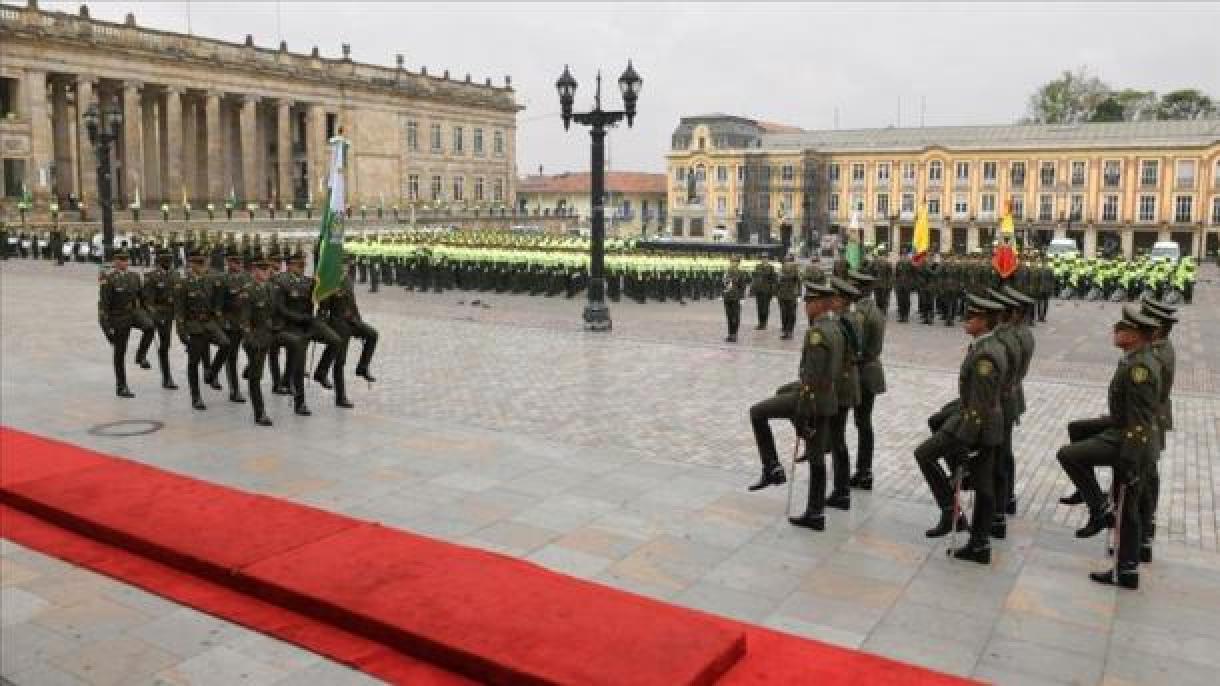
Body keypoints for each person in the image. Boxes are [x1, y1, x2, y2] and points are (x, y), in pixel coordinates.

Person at [1056, 305, 1162, 589]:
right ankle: (1126, 569)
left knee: (1070, 457)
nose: (1116, 332)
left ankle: (1101, 511)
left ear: (1137, 336)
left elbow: (1140, 421)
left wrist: (1129, 460)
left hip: (1131, 443)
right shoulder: (1134, 359)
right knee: (1126, 507)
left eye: (1123, 329)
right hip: (1125, 434)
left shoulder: (1139, 368)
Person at [913, 294, 1008, 564]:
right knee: (983, 484)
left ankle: (952, 513)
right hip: (978, 420)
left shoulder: (986, 354)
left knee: (926, 454)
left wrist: (968, 440)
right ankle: (978, 541)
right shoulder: (985, 346)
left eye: (971, 317)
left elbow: (980, 402)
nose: (966, 321)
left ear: (984, 322)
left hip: (977, 425)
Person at [747, 281, 843, 506]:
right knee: (816, 456)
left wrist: (802, 412)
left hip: (814, 400)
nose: (806, 305)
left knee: (757, 412)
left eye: (810, 301)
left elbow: (812, 379)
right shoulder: (835, 327)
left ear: (820, 304)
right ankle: (815, 511)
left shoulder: (817, 333)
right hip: (828, 397)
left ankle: (771, 467)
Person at [275, 252, 343, 415]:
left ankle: (321, 372)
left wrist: (326, 294)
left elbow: (320, 298)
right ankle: (300, 403)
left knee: (335, 340)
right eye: (299, 265)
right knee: (299, 365)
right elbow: (280, 309)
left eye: (303, 265)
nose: (302, 268)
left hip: (310, 323)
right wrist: (300, 318)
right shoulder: (282, 282)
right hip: (292, 326)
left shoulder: (309, 282)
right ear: (290, 265)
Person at [240, 257, 305, 426]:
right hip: (256, 338)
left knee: (297, 343)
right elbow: (244, 321)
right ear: (254, 271)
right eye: (262, 270)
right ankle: (259, 413)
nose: (266, 272)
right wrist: (250, 340)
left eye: (267, 269)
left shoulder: (271, 288)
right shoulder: (248, 291)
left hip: (271, 333)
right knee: (256, 378)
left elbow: (276, 310)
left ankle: (286, 380)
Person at [314, 255, 379, 408]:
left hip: (353, 321)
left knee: (372, 334)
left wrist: (359, 319)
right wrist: (321, 325)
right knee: (340, 361)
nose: (346, 267)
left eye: (347, 265)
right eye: (342, 265)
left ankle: (362, 367)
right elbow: (323, 307)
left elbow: (353, 303)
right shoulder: (330, 282)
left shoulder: (348, 279)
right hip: (338, 323)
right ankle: (340, 396)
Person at [174, 252, 230, 410]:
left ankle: (211, 372)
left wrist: (218, 321)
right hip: (194, 325)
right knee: (193, 363)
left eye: (203, 264)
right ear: (191, 265)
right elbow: (179, 310)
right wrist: (181, 332)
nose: (202, 267)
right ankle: (196, 396)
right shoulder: (183, 284)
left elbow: (216, 303)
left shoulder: (209, 281)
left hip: (209, 323)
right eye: (198, 265)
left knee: (226, 344)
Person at [98, 249, 155, 398]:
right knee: (120, 352)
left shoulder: (135, 276)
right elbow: (104, 305)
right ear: (115, 262)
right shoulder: (108, 279)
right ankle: (121, 386)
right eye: (121, 260)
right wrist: (106, 328)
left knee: (149, 327)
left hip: (134, 313)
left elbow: (142, 298)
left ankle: (140, 356)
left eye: (126, 260)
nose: (124, 263)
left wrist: (149, 311)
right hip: (118, 316)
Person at [847, 271, 886, 490]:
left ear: (860, 289)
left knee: (860, 424)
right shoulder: (876, 310)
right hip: (872, 371)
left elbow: (857, 347)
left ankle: (863, 472)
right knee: (864, 423)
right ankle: (865, 471)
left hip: (861, 373)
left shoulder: (861, 314)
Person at [825, 277, 862, 510]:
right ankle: (841, 489)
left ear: (841, 300)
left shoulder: (844, 323)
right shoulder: (850, 319)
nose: (831, 301)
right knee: (837, 437)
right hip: (847, 382)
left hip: (843, 384)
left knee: (838, 439)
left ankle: (841, 491)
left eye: (834, 297)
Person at [209, 254, 251, 404]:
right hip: (230, 322)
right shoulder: (222, 279)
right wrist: (222, 323)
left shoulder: (247, 278)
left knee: (255, 349)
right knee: (231, 357)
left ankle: (249, 372)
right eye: (235, 261)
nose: (238, 264)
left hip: (245, 322)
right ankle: (234, 390)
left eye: (240, 261)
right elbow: (218, 306)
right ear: (228, 262)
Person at [137, 249, 179, 390]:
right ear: (159, 261)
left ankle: (166, 378)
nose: (168, 262)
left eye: (170, 259)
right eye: (165, 259)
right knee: (150, 332)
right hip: (157, 313)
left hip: (169, 314)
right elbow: (147, 300)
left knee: (165, 347)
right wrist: (155, 315)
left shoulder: (176, 274)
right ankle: (142, 356)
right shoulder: (152, 276)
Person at [722, 255, 749, 343]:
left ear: (738, 263)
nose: (733, 263)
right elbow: (723, 284)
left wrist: (742, 298)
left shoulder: (741, 273)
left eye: (735, 262)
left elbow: (743, 286)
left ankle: (735, 334)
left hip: (736, 297)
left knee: (736, 317)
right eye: (732, 261)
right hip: (727, 297)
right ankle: (730, 334)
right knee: (729, 316)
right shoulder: (727, 272)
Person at [776, 255, 801, 339]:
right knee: (783, 314)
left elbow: (799, 283)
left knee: (791, 314)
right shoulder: (781, 270)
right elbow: (778, 283)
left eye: (789, 261)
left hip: (792, 295)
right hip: (782, 295)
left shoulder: (796, 270)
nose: (787, 263)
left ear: (792, 262)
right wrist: (776, 294)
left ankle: (790, 331)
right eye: (786, 261)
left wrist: (799, 295)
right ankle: (785, 330)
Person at [751, 255, 778, 330]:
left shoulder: (771, 267)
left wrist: (773, 292)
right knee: (759, 307)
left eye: (765, 258)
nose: (764, 259)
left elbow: (774, 280)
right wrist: (753, 290)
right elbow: (755, 278)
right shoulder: (758, 266)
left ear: (768, 259)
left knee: (765, 307)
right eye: (763, 258)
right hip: (759, 290)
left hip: (767, 290)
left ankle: (764, 323)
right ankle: (760, 323)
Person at [894, 252, 915, 322]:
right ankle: (901, 316)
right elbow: (896, 275)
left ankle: (906, 316)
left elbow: (914, 274)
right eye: (902, 256)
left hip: (907, 285)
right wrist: (896, 284)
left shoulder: (910, 264)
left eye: (905, 256)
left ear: (907, 257)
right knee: (900, 301)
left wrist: (911, 283)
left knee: (906, 301)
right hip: (899, 285)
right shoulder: (898, 263)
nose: (904, 257)